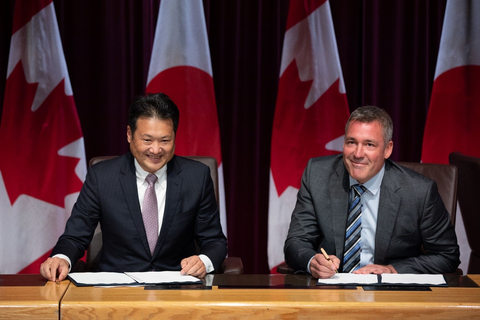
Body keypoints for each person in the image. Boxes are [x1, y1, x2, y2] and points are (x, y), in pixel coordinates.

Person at [40, 93, 227, 282]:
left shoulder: (196, 177)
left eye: (165, 140)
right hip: (117, 290)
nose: (155, 150)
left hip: (177, 288)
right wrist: (61, 258)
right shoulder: (102, 177)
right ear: (129, 134)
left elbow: (214, 241)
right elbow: (75, 236)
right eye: (147, 140)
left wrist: (204, 261)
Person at [284, 106, 460, 279]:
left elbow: (446, 255)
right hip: (330, 290)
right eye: (351, 142)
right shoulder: (317, 175)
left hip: (390, 294)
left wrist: (392, 270)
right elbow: (296, 242)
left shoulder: (419, 191)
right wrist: (313, 261)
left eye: (369, 144)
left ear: (387, 149)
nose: (358, 154)